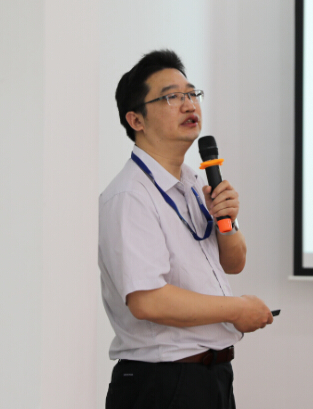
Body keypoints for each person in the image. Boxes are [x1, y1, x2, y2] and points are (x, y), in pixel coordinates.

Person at [99, 49, 273, 408]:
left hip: (211, 377)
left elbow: (234, 263)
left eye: (192, 93)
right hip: (162, 383)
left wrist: (227, 222)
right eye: (172, 97)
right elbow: (147, 300)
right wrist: (236, 309)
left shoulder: (196, 182)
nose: (189, 104)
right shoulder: (131, 194)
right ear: (136, 120)